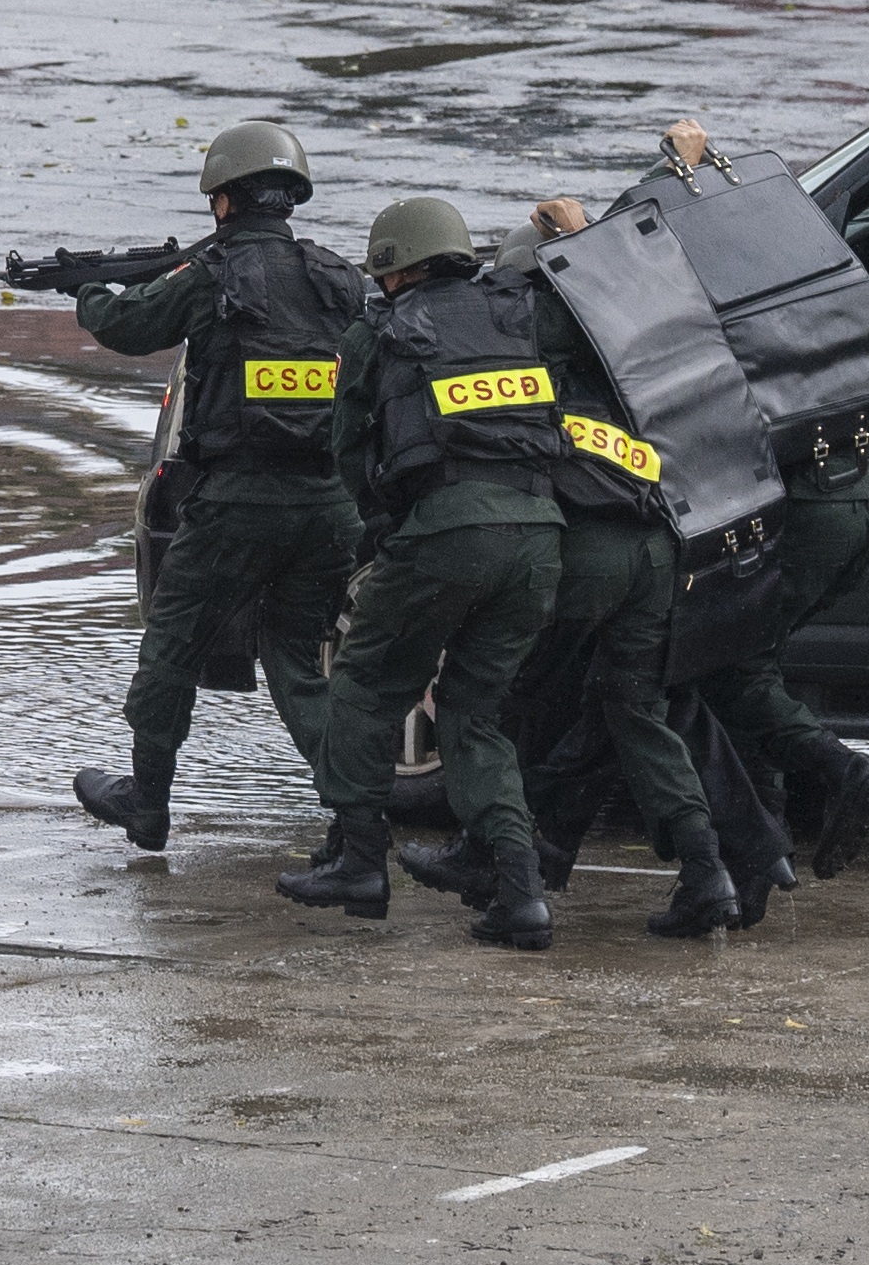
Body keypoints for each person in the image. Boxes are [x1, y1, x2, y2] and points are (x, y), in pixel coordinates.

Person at [66, 119, 367, 861]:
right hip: (330, 506)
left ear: (224, 201)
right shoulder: (338, 278)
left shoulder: (214, 273)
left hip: (236, 502)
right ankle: (360, 819)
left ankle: (148, 804)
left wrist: (87, 291)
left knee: (172, 646)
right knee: (298, 662)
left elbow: (129, 326)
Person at [285, 195, 567, 942]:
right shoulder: (518, 312)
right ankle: (521, 891)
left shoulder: (380, 328)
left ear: (394, 271)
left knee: (364, 684)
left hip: (446, 531)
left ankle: (360, 861)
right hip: (540, 534)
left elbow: (348, 449)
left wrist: (385, 525)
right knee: (474, 711)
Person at [642, 119, 869, 873]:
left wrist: (669, 174)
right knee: (752, 658)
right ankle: (772, 833)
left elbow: (632, 244)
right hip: (862, 492)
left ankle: (836, 774)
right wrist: (697, 166)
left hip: (804, 509)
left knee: (727, 666)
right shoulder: (786, 252)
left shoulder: (696, 290)